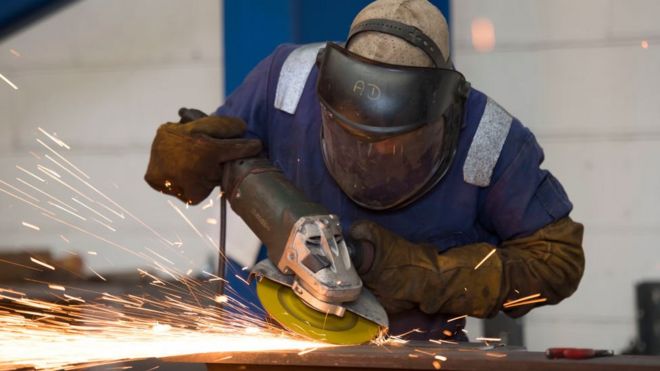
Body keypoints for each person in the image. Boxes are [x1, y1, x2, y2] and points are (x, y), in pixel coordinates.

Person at [145, 0, 585, 340]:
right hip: (288, 334)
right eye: (353, 137)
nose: (371, 157)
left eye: (394, 145)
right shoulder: (289, 81)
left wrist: (414, 271)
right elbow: (211, 161)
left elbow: (557, 262)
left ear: (441, 111)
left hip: (418, 353)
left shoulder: (490, 140)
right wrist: (185, 159)